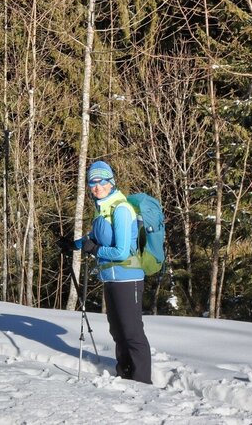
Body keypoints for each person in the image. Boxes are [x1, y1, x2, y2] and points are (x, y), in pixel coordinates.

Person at [74, 160, 152, 384]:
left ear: (111, 182)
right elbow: (93, 238)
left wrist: (95, 249)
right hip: (110, 278)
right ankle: (125, 375)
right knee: (118, 332)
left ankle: (142, 382)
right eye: (92, 182)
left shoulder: (121, 209)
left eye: (101, 182)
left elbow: (120, 251)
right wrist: (75, 245)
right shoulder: (103, 209)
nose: (97, 187)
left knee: (132, 333)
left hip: (128, 278)